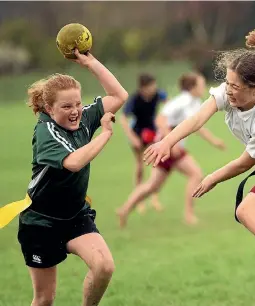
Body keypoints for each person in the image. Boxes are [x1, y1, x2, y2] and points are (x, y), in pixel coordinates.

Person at [143, 29, 255, 306]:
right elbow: (197, 118)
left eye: (235, 86)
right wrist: (167, 141)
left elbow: (244, 163)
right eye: (227, 83)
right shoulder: (230, 92)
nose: (228, 90)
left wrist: (212, 177)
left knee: (247, 210)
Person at [18, 49, 128, 306]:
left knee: (104, 266)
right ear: (48, 108)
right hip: (40, 223)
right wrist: (105, 134)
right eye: (66, 106)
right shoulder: (46, 132)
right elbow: (74, 162)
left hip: (74, 216)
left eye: (78, 103)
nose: (76, 111)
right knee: (45, 299)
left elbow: (119, 96)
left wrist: (91, 63)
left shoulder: (83, 118)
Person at [117, 72, 226, 227]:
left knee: (152, 186)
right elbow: (160, 120)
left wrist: (214, 141)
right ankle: (189, 215)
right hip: (166, 147)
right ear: (192, 87)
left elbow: (197, 125)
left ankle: (124, 209)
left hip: (169, 147)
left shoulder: (194, 102)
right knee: (195, 174)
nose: (204, 87)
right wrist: (171, 143)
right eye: (201, 84)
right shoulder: (183, 101)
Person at [120, 73, 167, 213]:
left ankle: (154, 199)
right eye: (151, 86)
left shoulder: (158, 94)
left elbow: (168, 105)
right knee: (140, 166)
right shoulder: (135, 99)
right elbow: (123, 118)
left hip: (153, 132)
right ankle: (138, 201)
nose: (154, 88)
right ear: (143, 88)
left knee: (156, 166)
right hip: (138, 133)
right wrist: (132, 137)